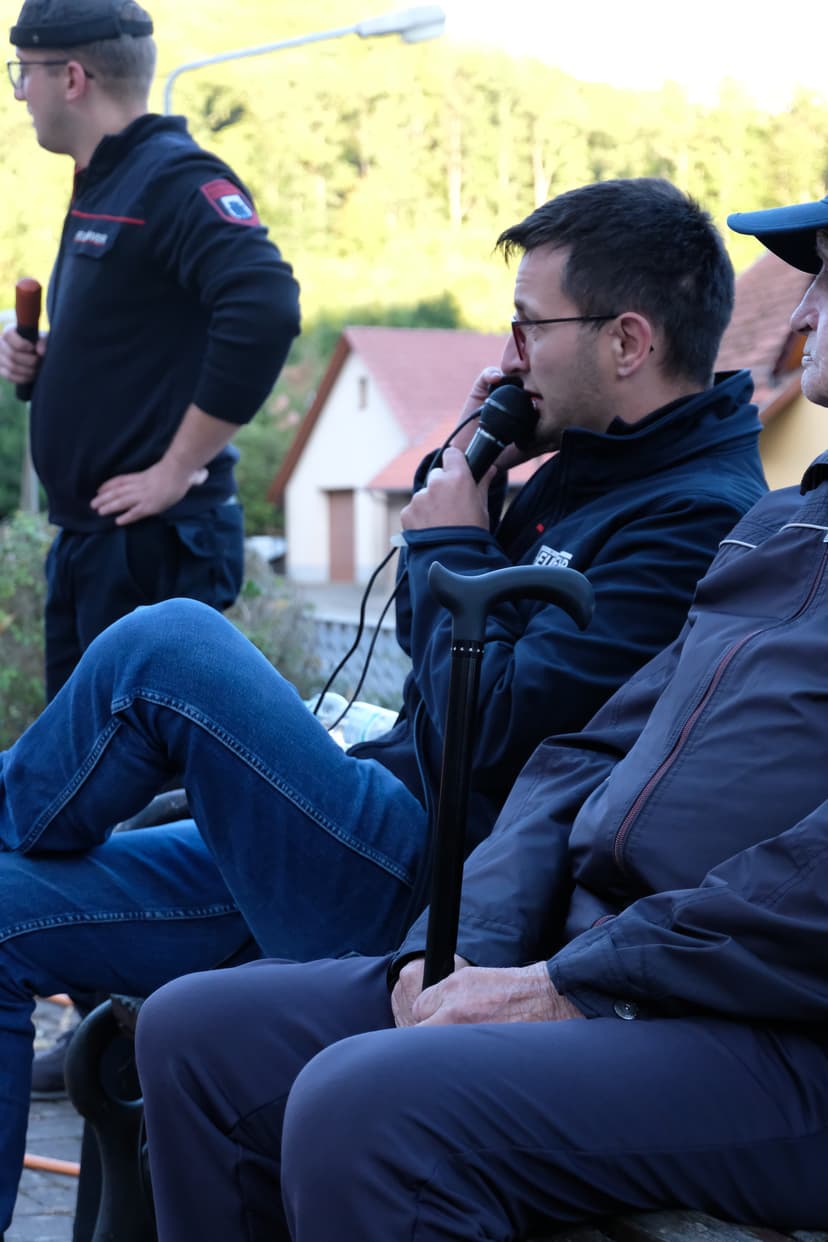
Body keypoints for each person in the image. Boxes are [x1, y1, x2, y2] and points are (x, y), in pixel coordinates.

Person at [0, 175, 767, 1234]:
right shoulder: (570, 470)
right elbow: (437, 683)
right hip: (376, 816)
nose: (506, 357)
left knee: (169, 644)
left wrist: (450, 540)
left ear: (627, 340)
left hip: (440, 883)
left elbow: (493, 743)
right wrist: (470, 500)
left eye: (528, 326)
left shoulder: (694, 521)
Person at [0, 0, 301, 702]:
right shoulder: (107, 178)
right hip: (94, 547)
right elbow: (145, 337)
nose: (20, 93)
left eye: (25, 73)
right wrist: (49, 359)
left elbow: (264, 307)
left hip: (151, 549)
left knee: (137, 789)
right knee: (77, 786)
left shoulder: (171, 178)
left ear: (71, 77)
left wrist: (176, 467)